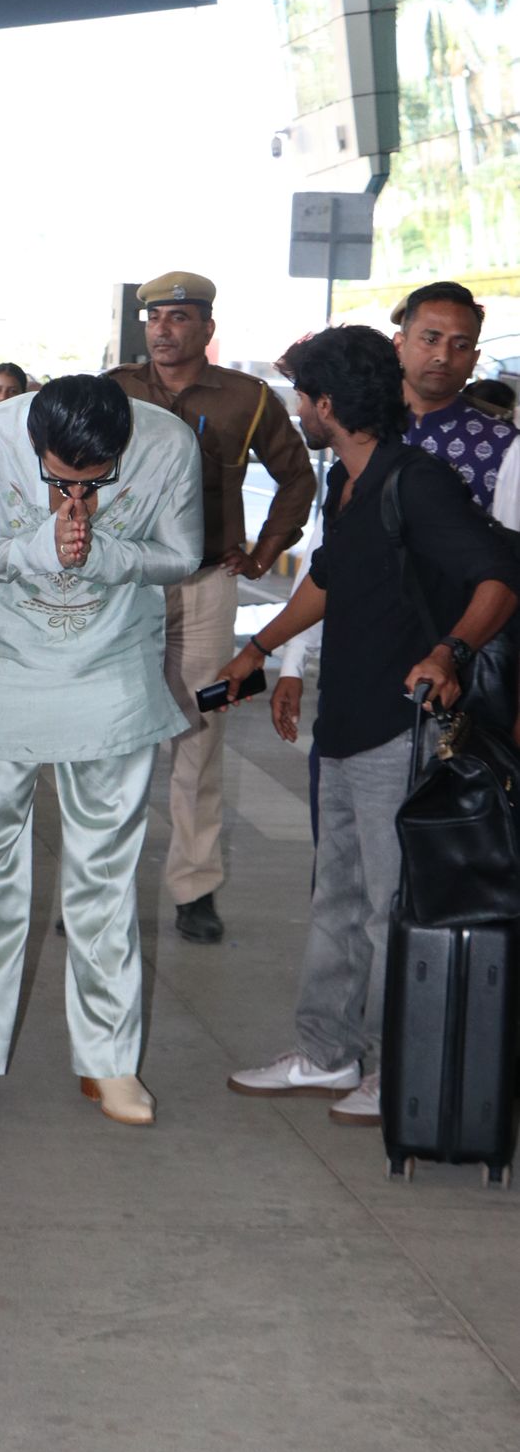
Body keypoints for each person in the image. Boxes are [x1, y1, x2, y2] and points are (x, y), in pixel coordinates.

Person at [223, 326, 519, 1128]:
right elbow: (328, 576)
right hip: (346, 722)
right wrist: (260, 650)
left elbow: (501, 577)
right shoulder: (347, 483)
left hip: (404, 729)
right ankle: (327, 1053)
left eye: (302, 399)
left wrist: (449, 651)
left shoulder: (414, 482)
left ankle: (400, 1069)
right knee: (338, 901)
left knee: (395, 908)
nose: (296, 412)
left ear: (327, 405)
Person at [0, 375, 202, 1127]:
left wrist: (105, 553)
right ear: (34, 443)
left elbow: (183, 553)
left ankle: (110, 1060)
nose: (75, 494)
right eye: (59, 478)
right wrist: (34, 548)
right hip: (4, 668)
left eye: (94, 481)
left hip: (111, 666)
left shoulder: (171, 443)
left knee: (107, 868)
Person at [107, 271, 315, 944]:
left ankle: (195, 888)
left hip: (208, 585)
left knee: (201, 732)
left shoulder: (246, 398)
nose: (163, 329)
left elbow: (297, 476)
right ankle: (98, 885)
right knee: (111, 738)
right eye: (155, 319)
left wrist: (266, 551)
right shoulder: (116, 390)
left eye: (178, 318)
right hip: (125, 585)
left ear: (205, 327)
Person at [392, 280, 518, 510]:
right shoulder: (362, 426)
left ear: (474, 360)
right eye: (431, 340)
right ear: (399, 346)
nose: (443, 355)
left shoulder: (506, 446)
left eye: (460, 345)